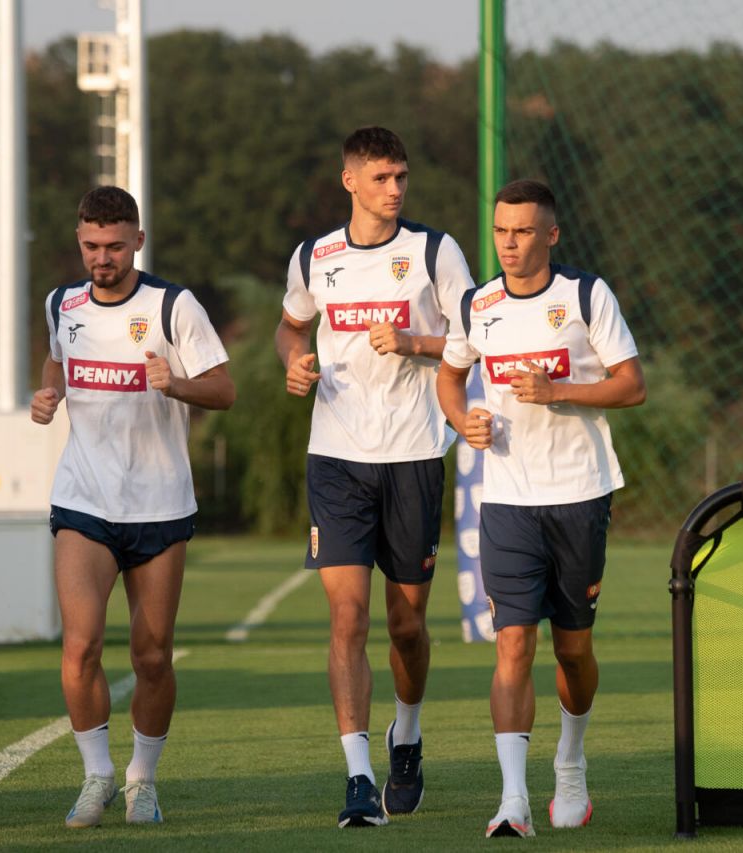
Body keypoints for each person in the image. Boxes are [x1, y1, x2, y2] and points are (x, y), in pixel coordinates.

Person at [276, 126, 476, 828]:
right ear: (350, 181)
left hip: (416, 453)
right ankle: (359, 776)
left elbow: (476, 334)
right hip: (335, 457)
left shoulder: (432, 250)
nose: (395, 189)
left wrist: (419, 342)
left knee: (407, 623)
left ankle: (408, 735)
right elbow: (291, 326)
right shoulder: (315, 256)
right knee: (347, 614)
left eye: (402, 177)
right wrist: (293, 361)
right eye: (383, 177)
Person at [436, 179, 646, 838]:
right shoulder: (478, 304)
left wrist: (561, 388)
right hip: (506, 499)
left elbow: (631, 384)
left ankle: (571, 761)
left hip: (580, 493)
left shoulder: (587, 295)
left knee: (573, 650)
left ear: (550, 235)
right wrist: (460, 420)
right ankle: (513, 800)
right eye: (501, 231)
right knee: (513, 647)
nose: (510, 243)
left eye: (523, 232)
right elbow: (450, 375)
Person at [31, 186, 235, 828]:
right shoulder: (61, 303)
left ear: (138, 241)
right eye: (91, 246)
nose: (102, 258)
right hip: (83, 500)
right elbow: (57, 358)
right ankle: (95, 777)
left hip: (159, 504)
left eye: (115, 246)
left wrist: (174, 381)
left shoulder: (174, 306)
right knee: (82, 644)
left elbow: (224, 389)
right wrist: (49, 390)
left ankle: (141, 780)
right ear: (79, 241)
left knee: (151, 656)